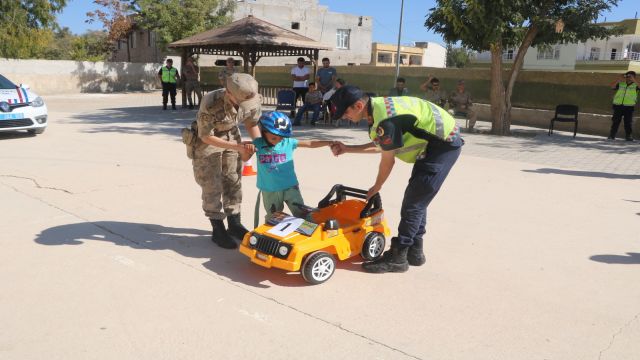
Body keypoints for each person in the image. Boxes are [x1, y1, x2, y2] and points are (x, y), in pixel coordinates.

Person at [330, 85, 463, 273]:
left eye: (345, 113)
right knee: (417, 198)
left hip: (443, 146)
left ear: (358, 105)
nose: (345, 118)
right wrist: (348, 148)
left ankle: (398, 257)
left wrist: (377, 185)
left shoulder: (386, 120)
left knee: (413, 203)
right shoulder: (377, 110)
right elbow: (383, 145)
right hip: (433, 145)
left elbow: (387, 160)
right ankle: (415, 251)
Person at [192, 73, 262, 249]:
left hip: (232, 134)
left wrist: (261, 146)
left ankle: (234, 223)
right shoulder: (210, 101)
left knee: (233, 180)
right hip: (209, 140)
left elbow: (252, 123)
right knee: (212, 184)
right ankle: (217, 228)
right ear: (229, 93)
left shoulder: (251, 97)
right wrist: (236, 147)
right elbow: (205, 136)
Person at [252, 111, 334, 220]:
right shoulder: (257, 144)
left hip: (291, 187)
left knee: (303, 214)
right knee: (274, 217)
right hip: (270, 189)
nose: (278, 141)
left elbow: (309, 143)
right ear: (263, 132)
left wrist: (328, 142)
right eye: (274, 138)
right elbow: (244, 157)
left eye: (281, 137)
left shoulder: (288, 142)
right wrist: (246, 150)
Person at [608, 71, 637, 141]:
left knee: (628, 122)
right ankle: (612, 135)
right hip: (618, 105)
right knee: (615, 121)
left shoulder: (635, 85)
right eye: (627, 76)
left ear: (634, 77)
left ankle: (628, 136)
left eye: (630, 76)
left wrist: (634, 80)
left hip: (629, 106)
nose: (628, 78)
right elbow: (612, 86)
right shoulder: (621, 84)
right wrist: (619, 79)